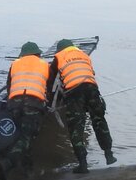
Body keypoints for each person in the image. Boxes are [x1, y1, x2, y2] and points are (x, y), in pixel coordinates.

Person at [50, 39, 117, 173]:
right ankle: (109, 154)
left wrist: (51, 100)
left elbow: (51, 80)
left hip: (74, 92)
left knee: (76, 127)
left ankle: (82, 164)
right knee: (99, 120)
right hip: (92, 89)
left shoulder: (59, 57)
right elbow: (90, 73)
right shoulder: (84, 55)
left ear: (60, 49)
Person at [0, 42, 49, 180]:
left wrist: (13, 104)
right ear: (37, 53)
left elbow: (9, 85)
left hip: (14, 104)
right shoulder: (44, 64)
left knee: (23, 136)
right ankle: (7, 163)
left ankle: (27, 170)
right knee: (27, 137)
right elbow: (47, 87)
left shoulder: (15, 63)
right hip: (33, 104)